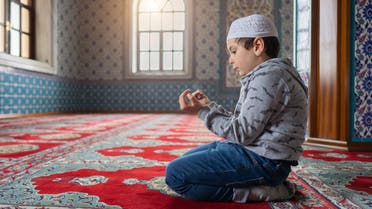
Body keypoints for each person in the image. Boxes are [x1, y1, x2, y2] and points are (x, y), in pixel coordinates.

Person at [165, 14, 308, 203]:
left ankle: (262, 191)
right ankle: (258, 183)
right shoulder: (269, 73)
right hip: (257, 152)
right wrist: (208, 106)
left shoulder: (269, 77)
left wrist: (200, 112)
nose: (231, 60)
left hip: (266, 162)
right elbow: (241, 123)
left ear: (257, 46)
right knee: (187, 161)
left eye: (233, 51)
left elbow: (241, 133)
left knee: (176, 175)